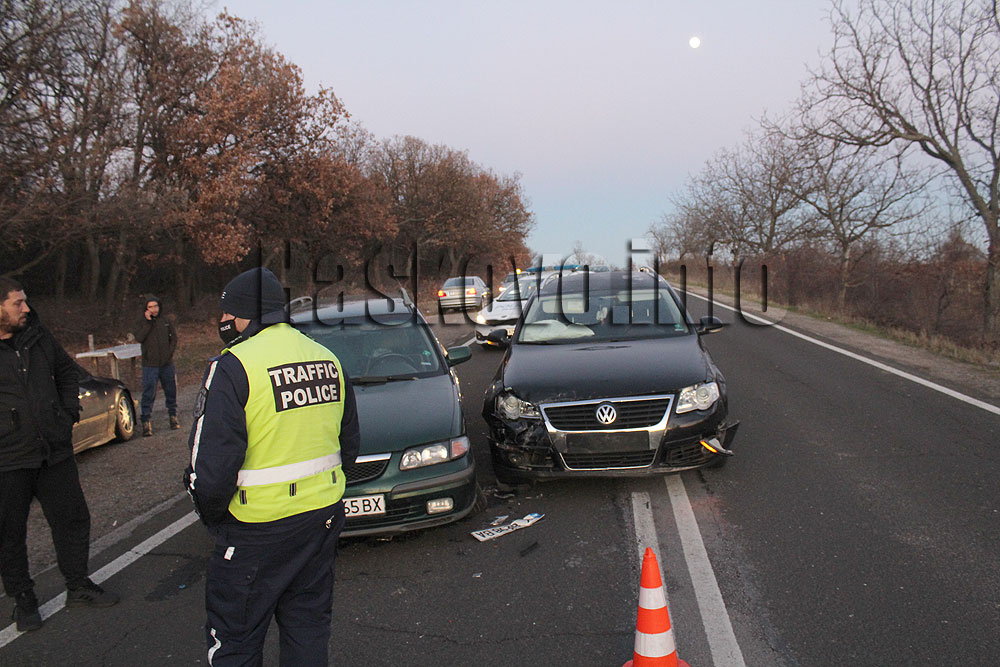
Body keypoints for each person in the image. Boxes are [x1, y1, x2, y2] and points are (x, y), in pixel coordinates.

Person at [184, 267, 360, 666]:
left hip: (255, 530)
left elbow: (211, 472)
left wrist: (216, 520)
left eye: (226, 313)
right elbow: (348, 446)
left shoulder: (233, 366)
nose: (222, 321)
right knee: (307, 629)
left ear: (245, 314)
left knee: (235, 641)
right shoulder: (326, 358)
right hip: (320, 521)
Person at [0, 277, 119, 632]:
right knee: (8, 533)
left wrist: (67, 414)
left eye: (25, 301)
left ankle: (78, 585)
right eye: (17, 303)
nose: (26, 308)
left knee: (72, 520)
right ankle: (23, 599)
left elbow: (68, 373)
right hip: (8, 458)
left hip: (54, 451)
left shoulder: (38, 336)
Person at [134, 295, 178, 436]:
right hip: (150, 364)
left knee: (170, 390)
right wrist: (148, 322)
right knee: (149, 392)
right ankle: (146, 421)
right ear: (146, 309)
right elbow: (139, 338)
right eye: (150, 307)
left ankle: (173, 416)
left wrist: (169, 353)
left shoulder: (165, 321)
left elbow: (174, 338)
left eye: (155, 306)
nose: (153, 309)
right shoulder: (141, 323)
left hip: (166, 363)